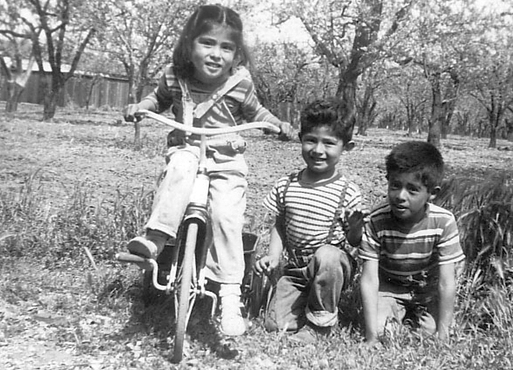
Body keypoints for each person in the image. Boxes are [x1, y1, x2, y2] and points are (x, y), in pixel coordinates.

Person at [121, 4, 292, 337]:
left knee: (227, 216)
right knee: (181, 167)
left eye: (226, 47)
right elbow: (157, 99)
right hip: (186, 149)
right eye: (207, 44)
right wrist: (141, 108)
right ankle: (156, 239)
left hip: (226, 158)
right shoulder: (174, 75)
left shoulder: (240, 83)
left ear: (236, 53)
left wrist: (277, 125)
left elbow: (258, 111)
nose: (216, 54)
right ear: (189, 45)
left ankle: (229, 293)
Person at [254, 98, 365, 338]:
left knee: (328, 255)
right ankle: (304, 303)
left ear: (347, 147)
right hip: (296, 268)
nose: (318, 150)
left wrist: (356, 229)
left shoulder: (348, 191)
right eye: (311, 140)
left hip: (330, 267)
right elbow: (280, 224)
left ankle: (320, 324)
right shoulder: (287, 184)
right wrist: (273, 255)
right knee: (275, 325)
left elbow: (355, 243)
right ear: (301, 139)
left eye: (329, 143)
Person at [359, 141, 464, 344]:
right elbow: (370, 279)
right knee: (383, 332)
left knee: (431, 332)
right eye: (395, 186)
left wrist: (443, 334)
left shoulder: (443, 221)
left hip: (427, 292)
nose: (400, 196)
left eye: (413, 190)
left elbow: (446, 281)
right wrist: (371, 336)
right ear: (388, 180)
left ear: (432, 193)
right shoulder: (376, 220)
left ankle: (423, 319)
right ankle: (394, 315)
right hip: (390, 288)